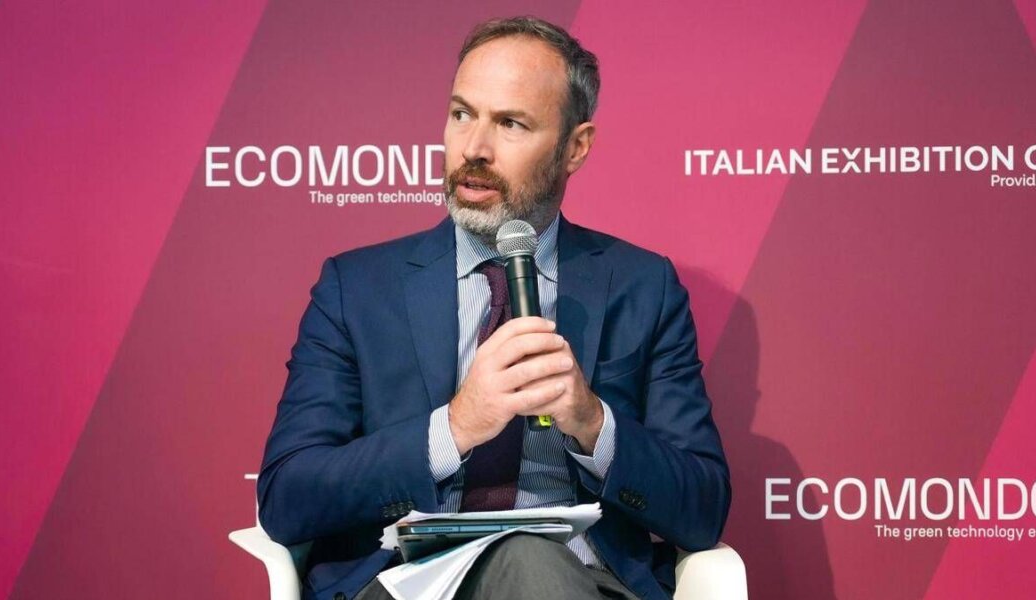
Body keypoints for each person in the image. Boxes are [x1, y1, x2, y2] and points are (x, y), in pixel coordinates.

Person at [258, 16, 730, 600]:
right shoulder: (356, 289)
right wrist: (454, 428)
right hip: (406, 585)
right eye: (462, 114)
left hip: (581, 582)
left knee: (530, 562)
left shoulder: (642, 286)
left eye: (510, 123)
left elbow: (703, 508)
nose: (473, 148)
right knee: (524, 559)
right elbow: (287, 497)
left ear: (575, 147)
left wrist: (592, 422)